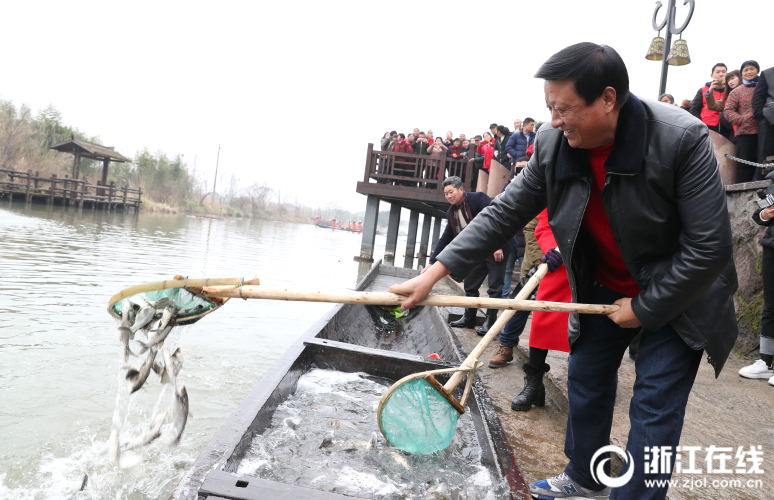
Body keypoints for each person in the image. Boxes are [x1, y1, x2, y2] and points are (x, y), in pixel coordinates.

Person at [389, 42, 737, 500]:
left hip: (681, 295)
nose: (554, 120)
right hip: (602, 285)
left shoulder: (680, 139)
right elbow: (504, 212)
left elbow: (709, 247)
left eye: (565, 109)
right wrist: (434, 272)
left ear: (608, 99)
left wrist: (646, 307)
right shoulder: (555, 144)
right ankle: (585, 475)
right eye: (550, 107)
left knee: (654, 406)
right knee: (587, 379)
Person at [426, 176, 513, 333]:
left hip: (497, 247)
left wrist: (498, 246)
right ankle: (469, 318)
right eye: (446, 194)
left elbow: (496, 220)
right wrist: (432, 262)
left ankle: (490, 323)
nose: (449, 196)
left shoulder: (479, 199)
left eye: (451, 192)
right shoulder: (451, 213)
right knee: (470, 284)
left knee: (495, 287)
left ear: (461, 189)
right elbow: (446, 237)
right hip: (478, 252)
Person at [725, 60, 761, 182]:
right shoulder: (736, 91)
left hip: (765, 130)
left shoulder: (764, 87)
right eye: (746, 70)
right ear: (742, 74)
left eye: (752, 69)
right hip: (745, 132)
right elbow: (728, 111)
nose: (749, 72)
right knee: (745, 162)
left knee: (764, 161)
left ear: (758, 71)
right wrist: (741, 120)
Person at [690, 63, 728, 132]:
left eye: (723, 72)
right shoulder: (703, 90)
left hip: (726, 127)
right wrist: (700, 124)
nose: (721, 74)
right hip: (706, 127)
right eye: (718, 72)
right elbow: (694, 109)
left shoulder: (731, 91)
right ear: (712, 75)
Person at [706, 69, 741, 142]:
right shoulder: (729, 95)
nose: (730, 82)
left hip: (748, 129)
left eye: (732, 78)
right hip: (733, 130)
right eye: (728, 80)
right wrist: (710, 91)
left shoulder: (750, 90)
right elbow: (713, 106)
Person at [752, 66, 774, 164]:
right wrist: (761, 114)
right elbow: (758, 96)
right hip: (769, 118)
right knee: (764, 157)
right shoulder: (767, 73)